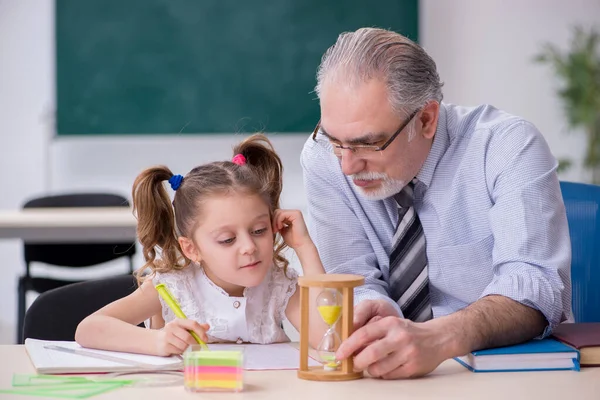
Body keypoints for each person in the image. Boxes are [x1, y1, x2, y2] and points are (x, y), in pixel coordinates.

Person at [301, 27, 572, 379]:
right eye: (335, 140)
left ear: (426, 119)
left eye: (368, 144)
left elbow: (537, 286)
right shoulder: (324, 159)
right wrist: (376, 311)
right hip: (388, 379)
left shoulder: (506, 146)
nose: (347, 165)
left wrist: (440, 337)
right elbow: (351, 277)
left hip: (502, 376)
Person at [76, 134, 327, 356]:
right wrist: (155, 340)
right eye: (227, 240)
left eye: (259, 230)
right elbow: (89, 329)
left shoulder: (278, 283)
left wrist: (305, 247)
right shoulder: (174, 286)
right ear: (191, 249)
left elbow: (329, 340)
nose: (249, 246)